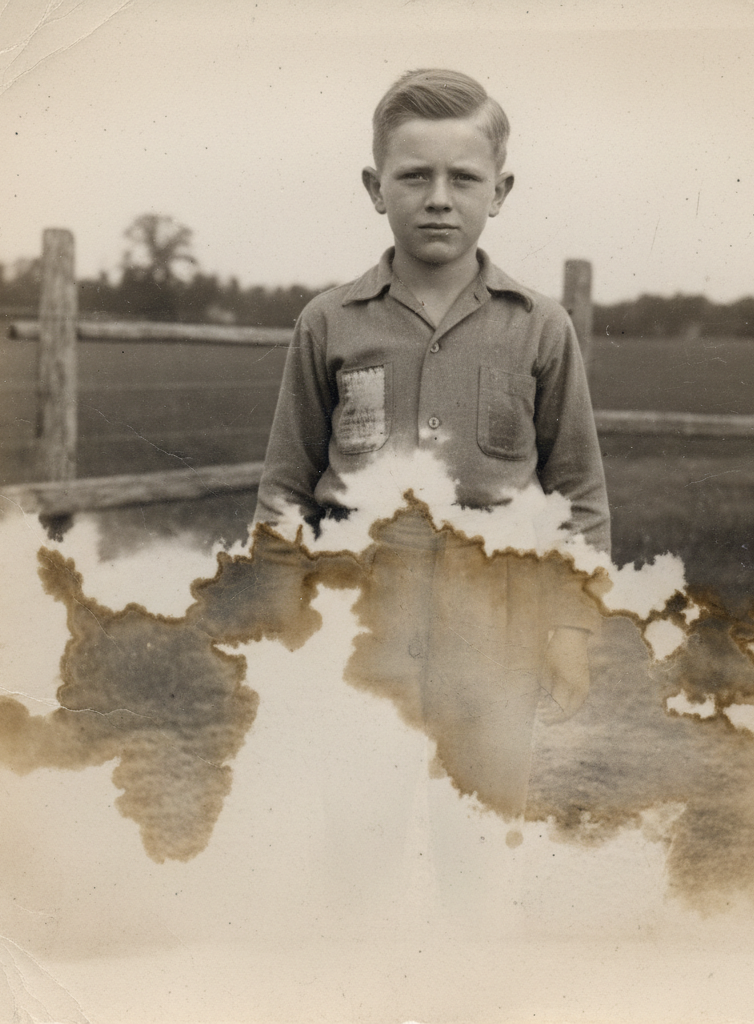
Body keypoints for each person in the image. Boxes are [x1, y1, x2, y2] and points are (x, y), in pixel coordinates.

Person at [254, 68, 611, 820]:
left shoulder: (540, 327)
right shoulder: (329, 323)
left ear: (500, 191)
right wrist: (278, 615)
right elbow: (286, 487)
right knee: (357, 836)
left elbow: (578, 495)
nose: (439, 197)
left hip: (496, 632)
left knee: (479, 840)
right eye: (414, 175)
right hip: (359, 624)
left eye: (464, 177)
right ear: (375, 186)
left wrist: (571, 630)